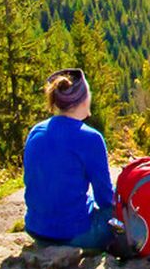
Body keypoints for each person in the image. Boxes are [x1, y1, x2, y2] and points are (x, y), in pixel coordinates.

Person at [23, 68, 115, 251]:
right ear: (83, 99)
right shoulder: (90, 138)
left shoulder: (36, 131)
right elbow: (105, 198)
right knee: (116, 217)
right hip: (73, 234)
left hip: (36, 229)